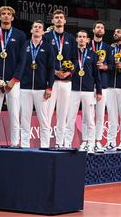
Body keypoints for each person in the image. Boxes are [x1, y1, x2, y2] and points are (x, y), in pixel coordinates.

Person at [0, 6, 26, 146]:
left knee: (14, 115)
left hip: (13, 82)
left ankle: (14, 145)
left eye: (9, 14)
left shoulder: (20, 35)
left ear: (13, 18)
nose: (6, 16)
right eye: (3, 14)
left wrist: (14, 80)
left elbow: (22, 59)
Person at [63, 30, 102, 153]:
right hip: (73, 89)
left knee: (89, 118)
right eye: (79, 36)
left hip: (88, 90)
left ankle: (90, 144)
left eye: (84, 37)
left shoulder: (93, 54)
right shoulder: (71, 53)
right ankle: (67, 142)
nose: (81, 39)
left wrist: (99, 90)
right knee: (70, 117)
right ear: (76, 39)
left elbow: (97, 74)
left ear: (87, 40)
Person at [44, 9, 77, 148]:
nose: (58, 19)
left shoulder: (70, 38)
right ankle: (44, 144)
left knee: (63, 113)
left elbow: (76, 59)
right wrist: (54, 71)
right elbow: (43, 58)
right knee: (47, 113)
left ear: (64, 21)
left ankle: (60, 143)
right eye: (56, 17)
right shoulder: (46, 37)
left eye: (61, 17)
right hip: (50, 81)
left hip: (66, 81)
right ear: (52, 21)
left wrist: (69, 73)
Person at [20, 20, 54, 148]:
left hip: (41, 89)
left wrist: (49, 87)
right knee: (24, 119)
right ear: (31, 30)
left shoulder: (48, 47)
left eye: (40, 27)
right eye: (35, 27)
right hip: (24, 88)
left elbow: (51, 68)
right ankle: (24, 146)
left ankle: (44, 146)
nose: (37, 29)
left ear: (43, 31)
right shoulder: (23, 45)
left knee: (44, 120)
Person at [85, 21, 112, 153]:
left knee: (100, 115)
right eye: (98, 27)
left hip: (103, 84)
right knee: (87, 115)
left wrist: (105, 66)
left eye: (102, 27)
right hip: (88, 84)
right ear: (93, 29)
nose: (100, 29)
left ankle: (97, 141)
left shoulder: (107, 47)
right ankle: (86, 141)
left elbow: (112, 65)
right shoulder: (87, 44)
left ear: (104, 31)